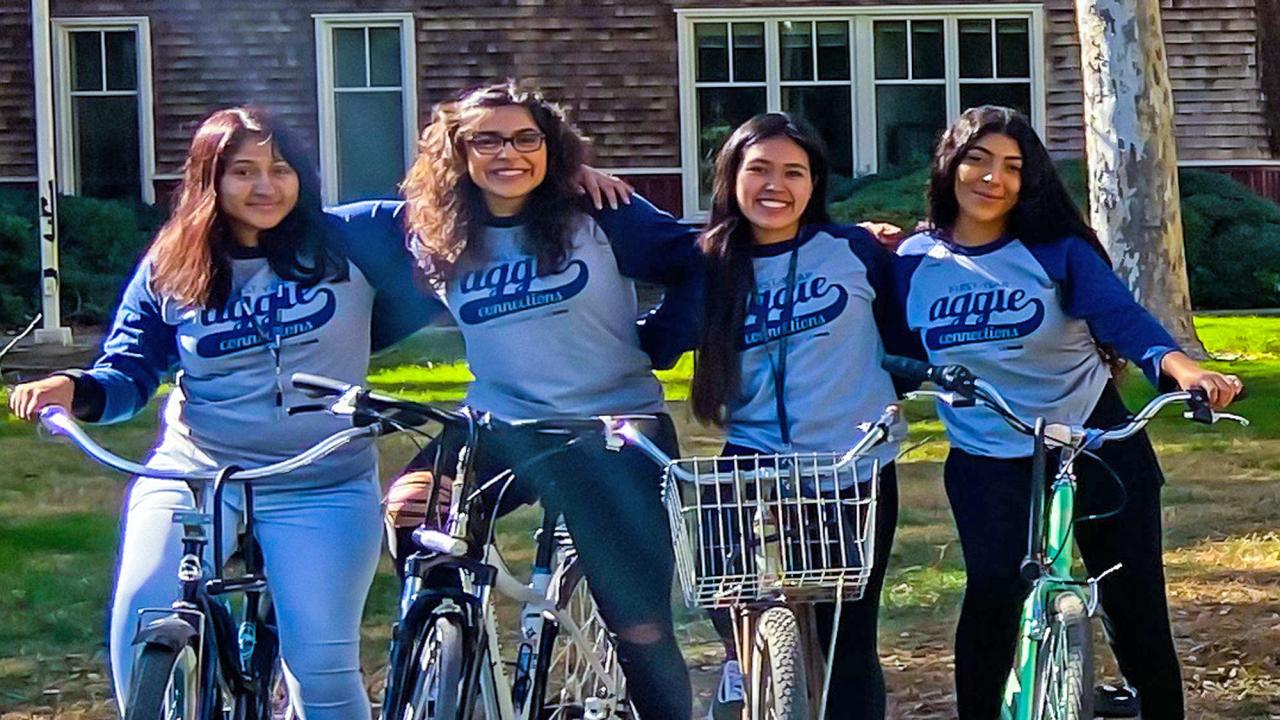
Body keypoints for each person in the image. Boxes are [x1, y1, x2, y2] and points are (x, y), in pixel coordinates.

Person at [8, 107, 439, 718]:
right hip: (194, 475)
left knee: (321, 672)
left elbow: (476, 201)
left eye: (280, 169)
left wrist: (575, 178)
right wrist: (74, 389)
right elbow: (130, 370)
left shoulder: (357, 238)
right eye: (243, 171)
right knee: (143, 627)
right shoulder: (172, 262)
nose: (265, 186)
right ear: (209, 178)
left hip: (322, 482)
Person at [342, 81, 699, 720]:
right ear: (457, 152)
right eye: (488, 140)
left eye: (526, 138)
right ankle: (451, 652)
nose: (509, 153)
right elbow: (298, 222)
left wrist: (658, 342)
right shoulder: (431, 227)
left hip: (612, 427)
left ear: (550, 147)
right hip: (500, 426)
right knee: (412, 518)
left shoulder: (601, 210)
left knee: (639, 625)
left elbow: (704, 262)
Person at [895, 105, 1244, 719]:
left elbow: (1124, 320)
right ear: (950, 164)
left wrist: (1183, 368)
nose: (992, 179)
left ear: (1028, 182)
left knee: (1133, 599)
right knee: (994, 592)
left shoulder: (1057, 250)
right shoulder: (910, 262)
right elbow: (879, 347)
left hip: (1095, 439)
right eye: (977, 159)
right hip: (988, 454)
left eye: (1012, 167)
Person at [686, 112, 915, 720]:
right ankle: (749, 665)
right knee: (721, 580)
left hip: (851, 462)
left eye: (794, 172)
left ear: (815, 184)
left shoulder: (854, 249)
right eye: (758, 169)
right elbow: (655, 338)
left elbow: (903, 335)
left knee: (848, 637)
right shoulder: (709, 263)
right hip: (753, 455)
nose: (775, 185)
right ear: (731, 176)